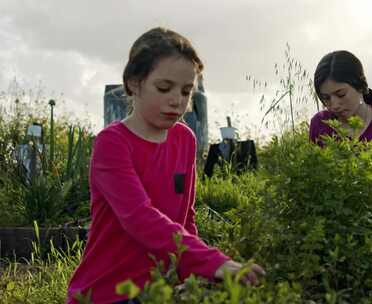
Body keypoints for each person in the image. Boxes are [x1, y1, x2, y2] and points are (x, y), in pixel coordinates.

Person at [66, 27, 264, 304]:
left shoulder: (185, 139)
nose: (177, 101)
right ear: (134, 83)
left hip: (159, 291)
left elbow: (186, 219)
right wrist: (213, 261)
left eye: (186, 91)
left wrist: (196, 275)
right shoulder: (112, 143)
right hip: (107, 293)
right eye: (164, 88)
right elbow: (140, 218)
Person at [309, 50, 372, 172]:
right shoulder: (319, 123)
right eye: (326, 98)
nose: (334, 105)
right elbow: (313, 176)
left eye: (341, 94)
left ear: (360, 86)